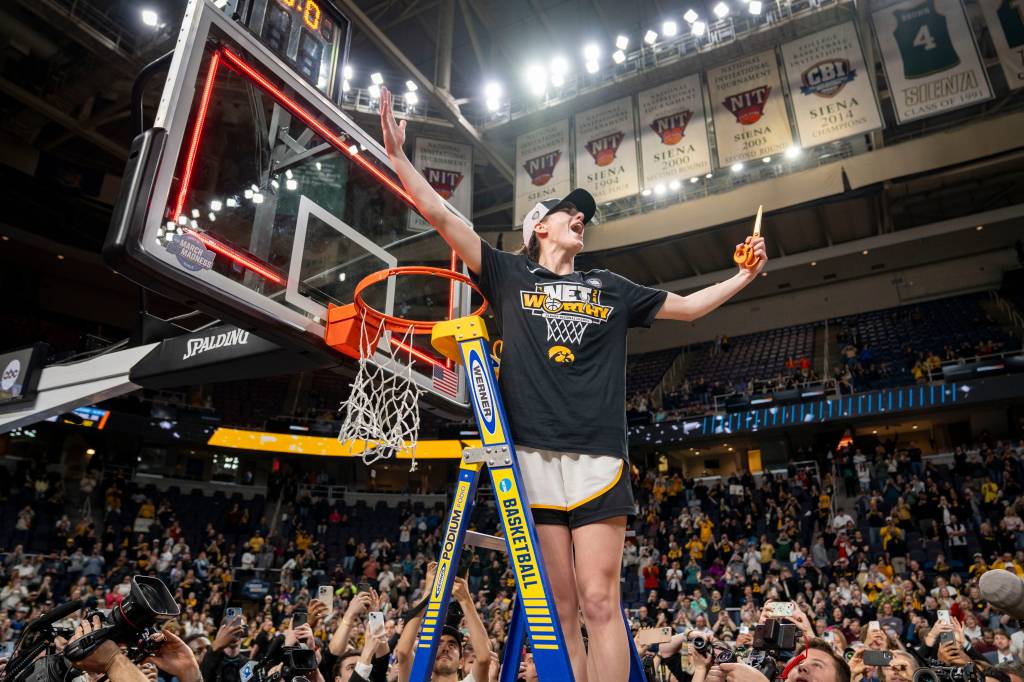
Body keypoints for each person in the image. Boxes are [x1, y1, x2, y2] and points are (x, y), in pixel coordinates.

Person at [379, 87, 768, 682]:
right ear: (540, 227)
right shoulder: (509, 274)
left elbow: (688, 309)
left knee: (600, 603)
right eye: (569, 208)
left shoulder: (609, 285)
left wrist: (744, 275)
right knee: (556, 612)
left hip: (598, 456)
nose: (581, 215)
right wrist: (400, 158)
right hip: (529, 458)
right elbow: (442, 216)